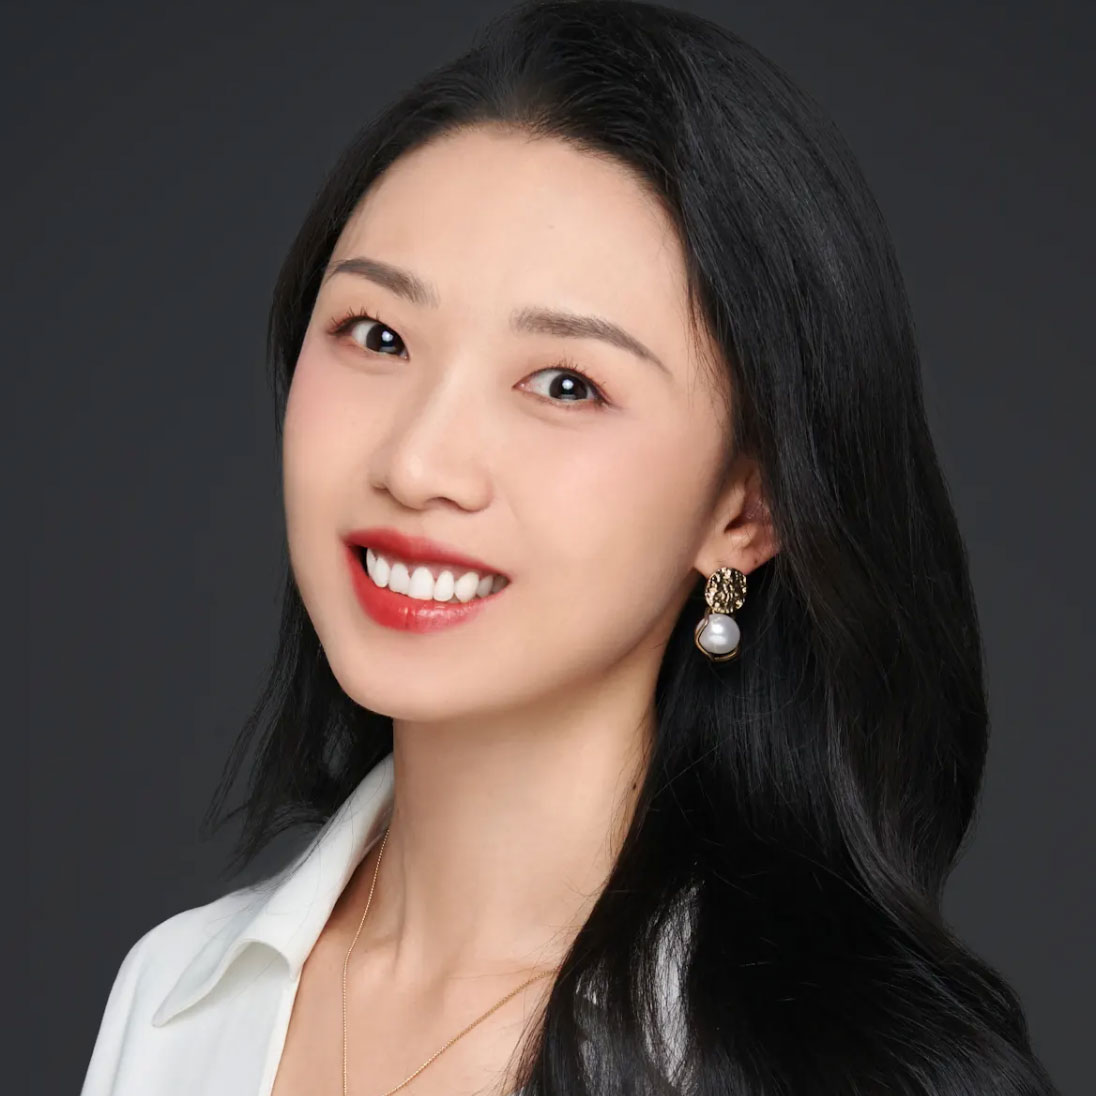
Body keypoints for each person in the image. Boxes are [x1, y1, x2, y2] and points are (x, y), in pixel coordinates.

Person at [79, 1, 1062, 1094]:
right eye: (378, 334)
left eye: (565, 384)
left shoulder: (830, 1071)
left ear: (744, 511)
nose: (418, 463)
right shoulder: (171, 1000)